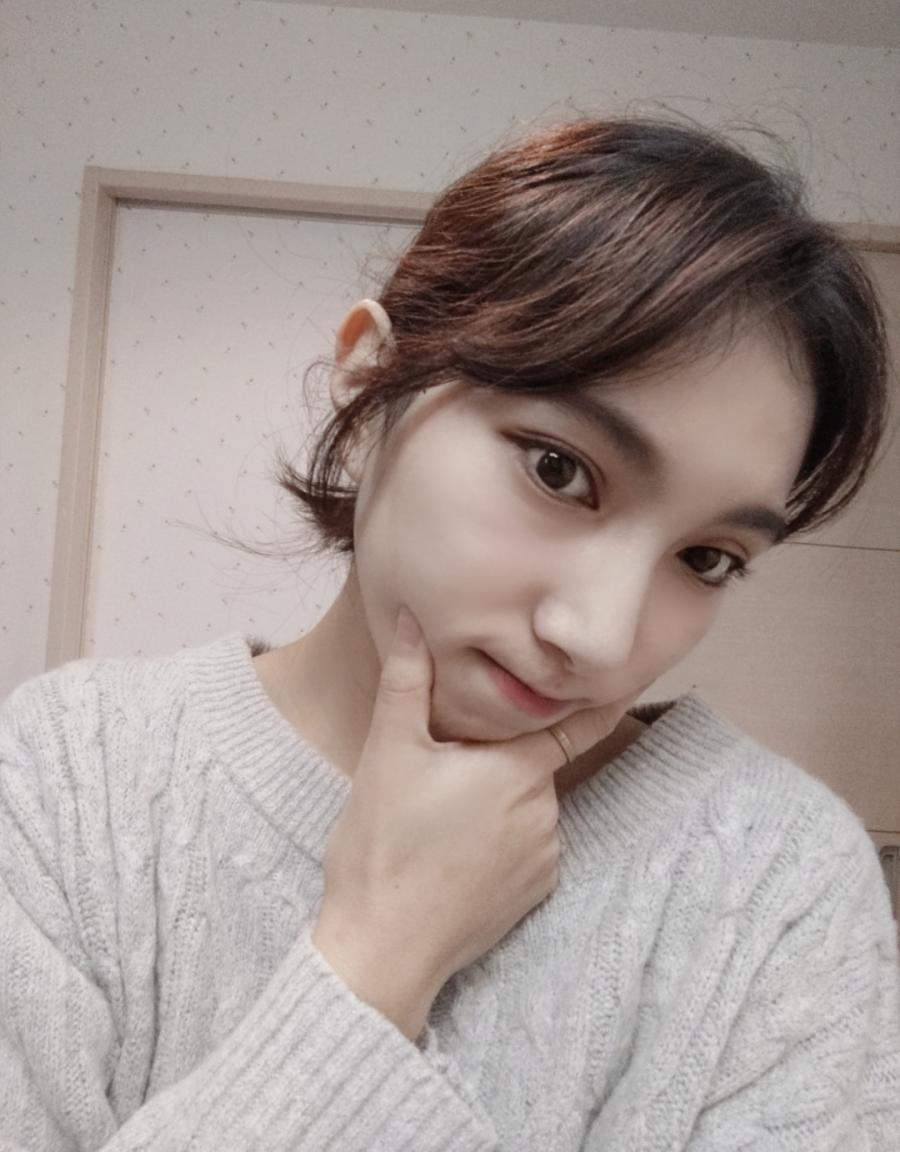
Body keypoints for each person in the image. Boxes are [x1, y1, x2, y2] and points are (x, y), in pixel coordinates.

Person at [1, 117, 898, 1151]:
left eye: (707, 558)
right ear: (368, 375)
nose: (599, 637)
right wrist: (376, 960)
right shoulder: (74, 777)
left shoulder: (778, 882)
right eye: (559, 470)